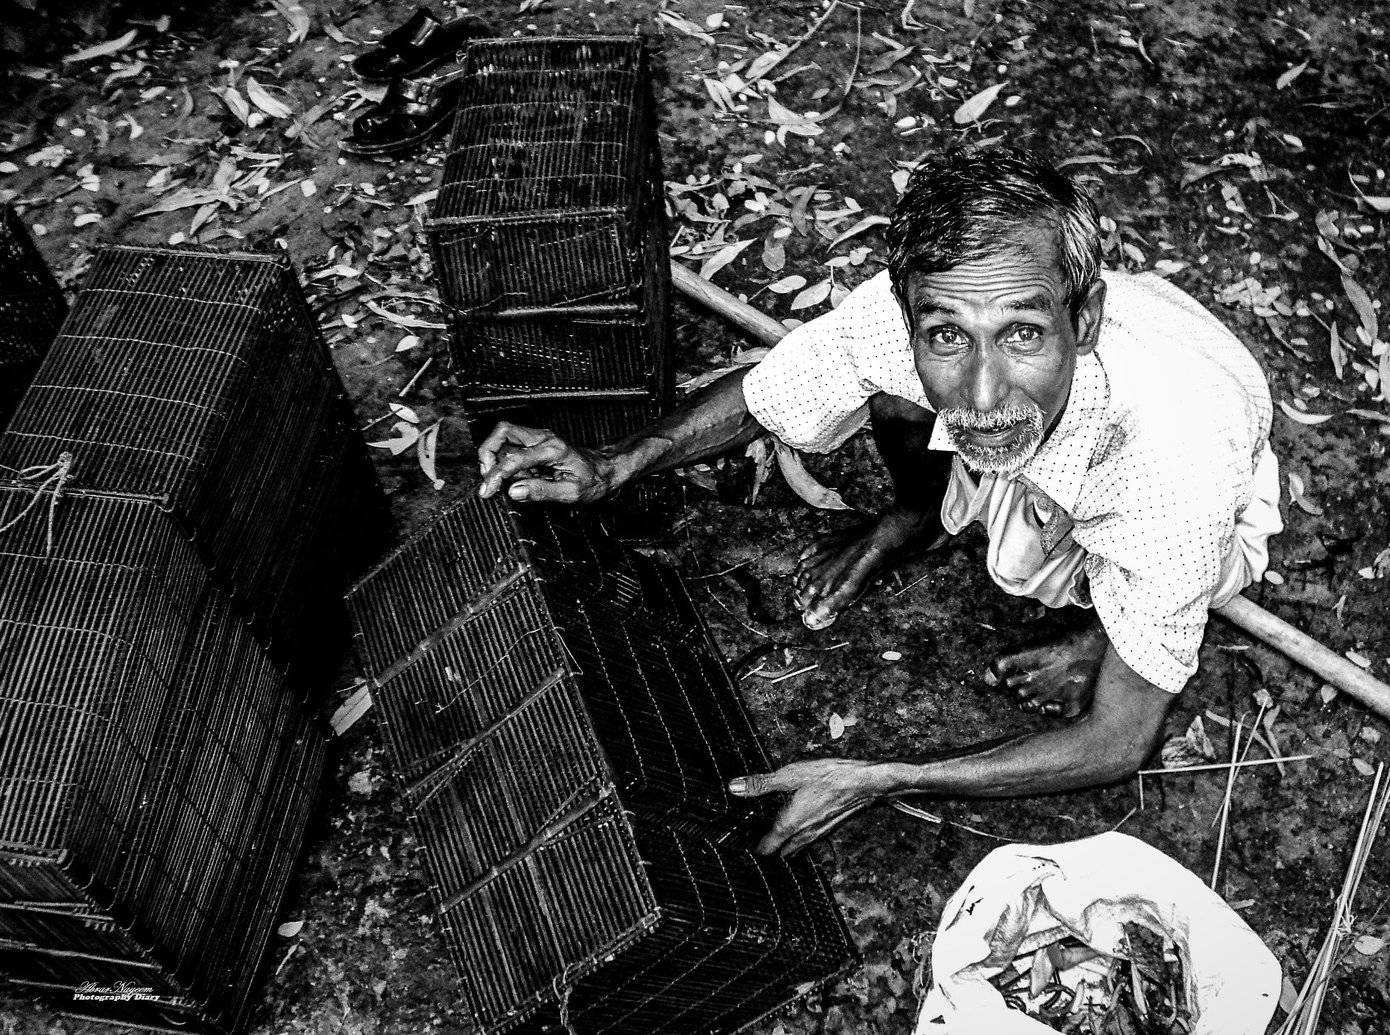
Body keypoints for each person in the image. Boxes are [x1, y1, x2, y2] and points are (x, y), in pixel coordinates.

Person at [476, 145, 1282, 857]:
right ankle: (919, 514)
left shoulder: (1172, 477)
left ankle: (1104, 629)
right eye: (946, 336)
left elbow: (1116, 742)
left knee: (1148, 584)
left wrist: (882, 777)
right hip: (1074, 438)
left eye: (1024, 334)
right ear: (912, 316)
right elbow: (773, 390)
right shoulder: (920, 316)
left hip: (1170, 486)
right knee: (892, 387)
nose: (981, 392)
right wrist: (615, 463)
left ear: (1087, 318)